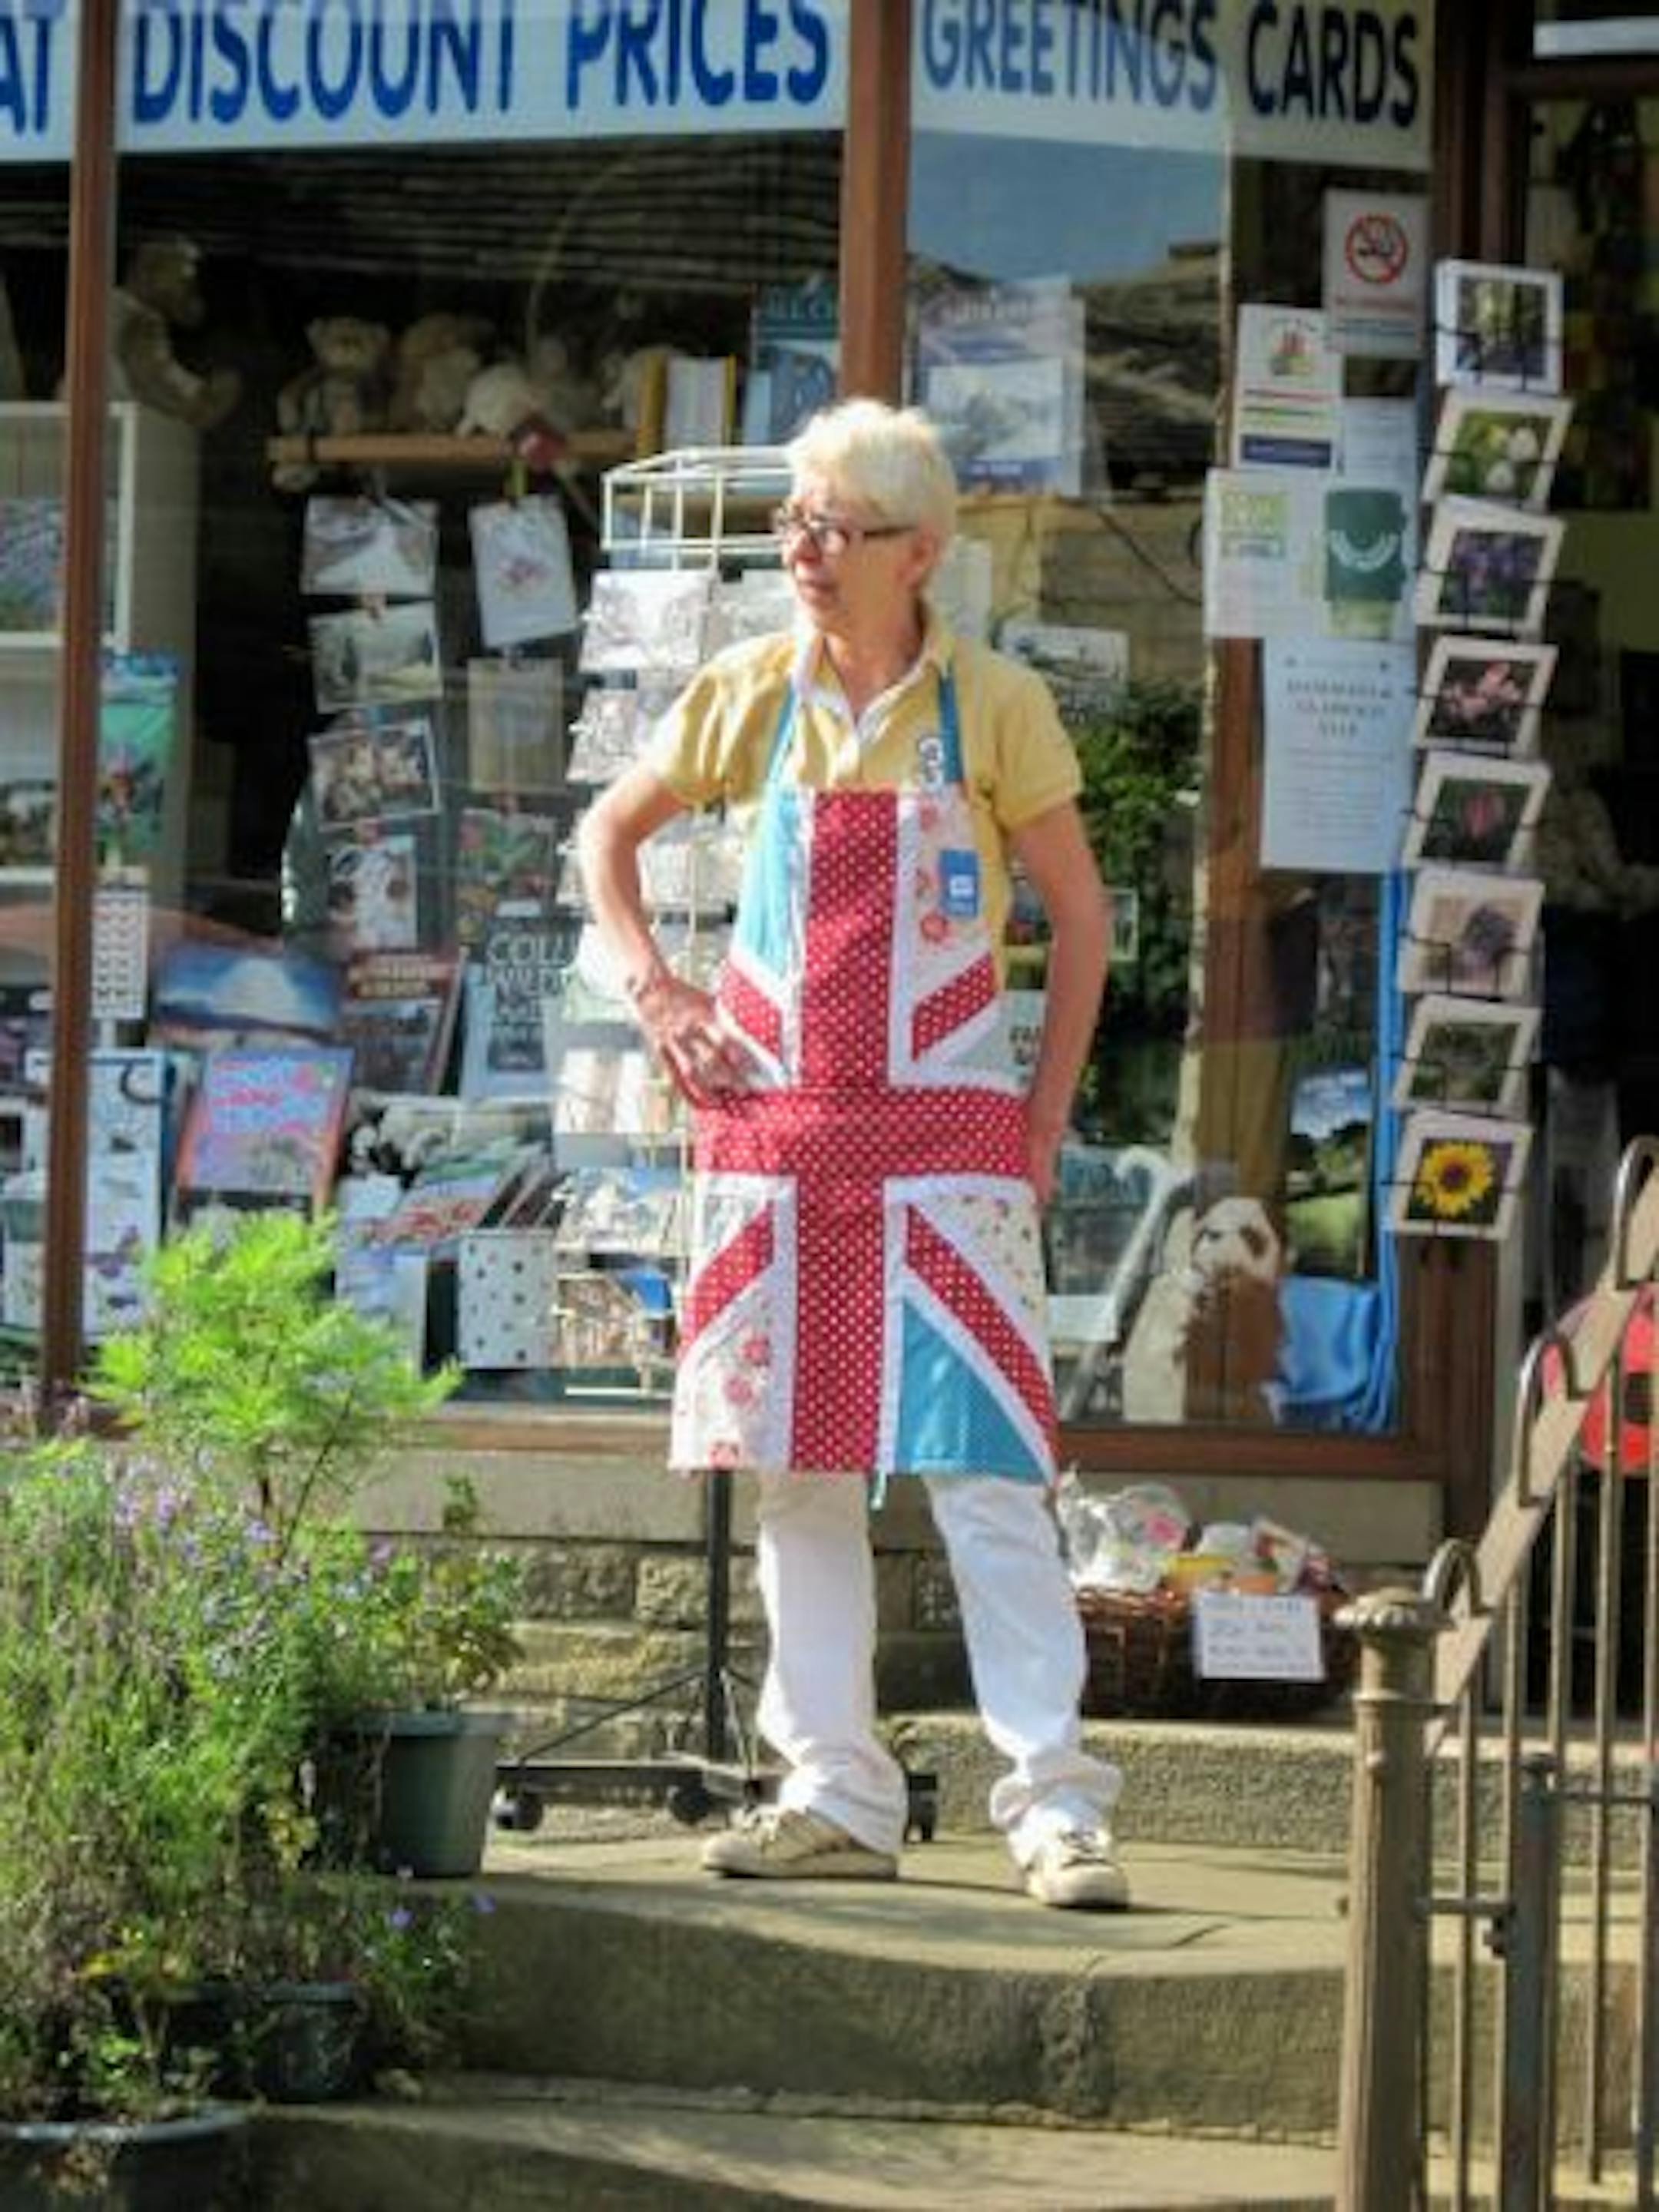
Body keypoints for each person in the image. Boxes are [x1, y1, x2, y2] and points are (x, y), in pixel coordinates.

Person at [577, 399, 1125, 1909]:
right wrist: (661, 992)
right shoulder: (749, 692)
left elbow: (1079, 922)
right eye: (794, 522)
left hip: (951, 1131)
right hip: (776, 1132)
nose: (801, 549)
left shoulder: (996, 706)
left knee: (985, 1468)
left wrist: (1042, 1119)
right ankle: (834, 1791)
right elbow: (606, 842)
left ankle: (1056, 1804)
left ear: (919, 551)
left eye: (833, 526)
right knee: (797, 1478)